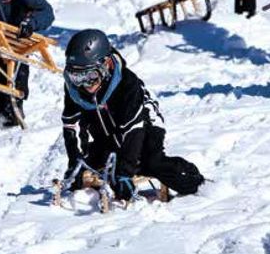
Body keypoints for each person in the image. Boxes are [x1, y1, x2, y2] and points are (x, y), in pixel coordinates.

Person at [61, 29, 204, 200]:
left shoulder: (127, 84)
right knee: (92, 167)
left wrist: (125, 173)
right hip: (107, 133)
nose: (84, 84)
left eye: (91, 75)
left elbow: (134, 131)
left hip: (144, 127)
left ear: (106, 64)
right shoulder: (74, 89)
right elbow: (71, 124)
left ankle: (194, 180)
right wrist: (75, 161)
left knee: (150, 163)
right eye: (77, 77)